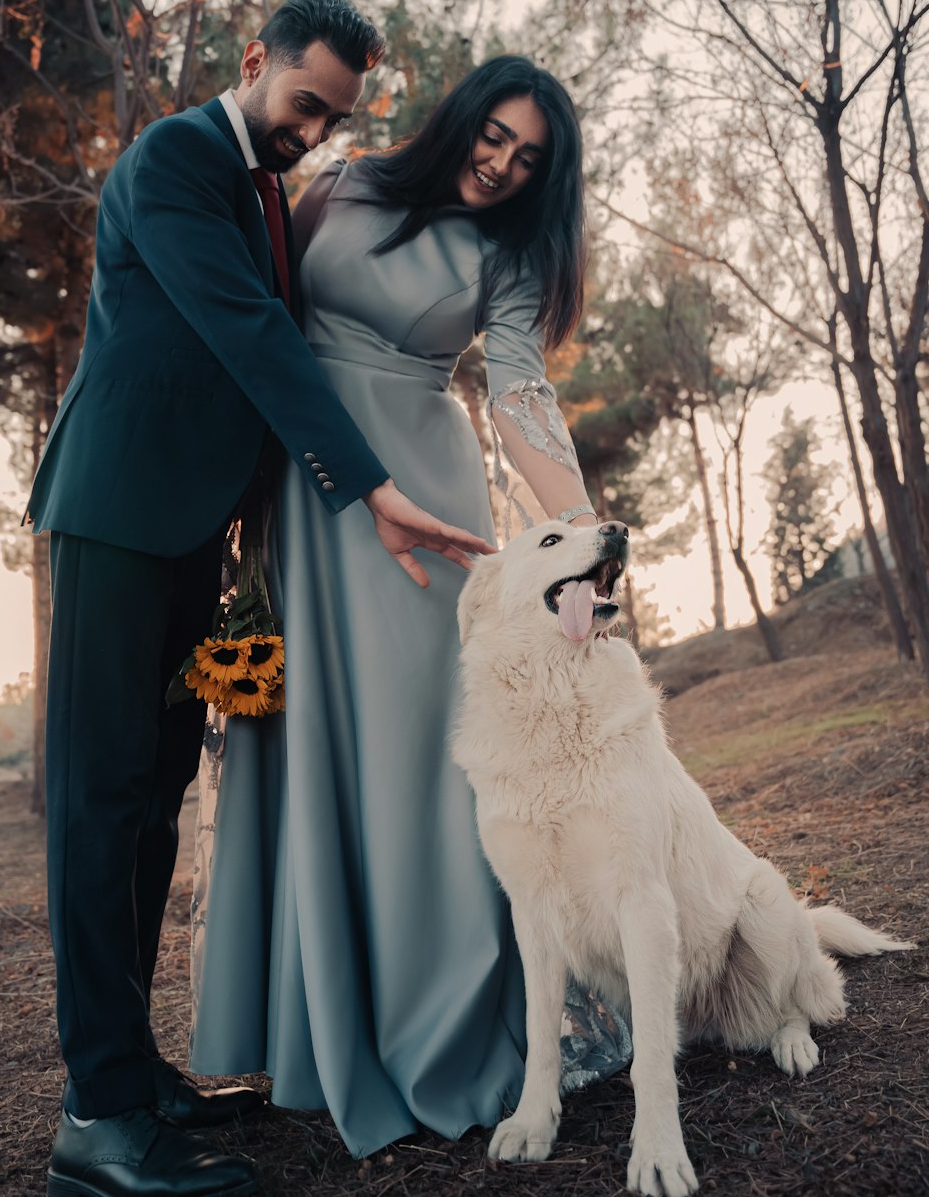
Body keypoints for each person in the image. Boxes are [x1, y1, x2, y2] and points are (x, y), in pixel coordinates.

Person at [26, 0, 495, 1197]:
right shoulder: (177, 156)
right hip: (118, 519)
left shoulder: (268, 191)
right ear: (255, 64)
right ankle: (95, 1115)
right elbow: (247, 331)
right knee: (100, 804)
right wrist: (365, 485)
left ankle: (132, 1073)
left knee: (154, 800)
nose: (311, 133)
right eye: (302, 107)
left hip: (194, 535)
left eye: (333, 120)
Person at [189, 56, 631, 1158]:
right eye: (495, 136)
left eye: (528, 159)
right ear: (463, 118)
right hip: (305, 487)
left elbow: (520, 392)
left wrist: (579, 534)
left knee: (421, 756)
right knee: (310, 752)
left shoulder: (515, 255)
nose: (501, 164)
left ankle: (439, 1026)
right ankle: (319, 1035)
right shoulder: (342, 180)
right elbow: (258, 312)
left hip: (422, 510)